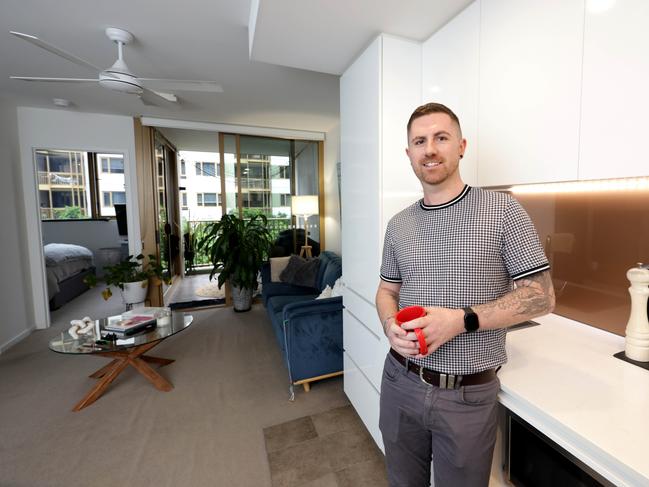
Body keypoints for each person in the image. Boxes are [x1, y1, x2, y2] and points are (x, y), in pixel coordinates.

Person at [375, 102, 555, 487]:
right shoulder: (398, 225)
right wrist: (389, 322)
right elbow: (387, 289)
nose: (430, 149)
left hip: (467, 396)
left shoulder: (503, 210)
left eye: (441, 137)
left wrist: (462, 319)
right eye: (419, 141)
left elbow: (541, 296)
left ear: (461, 146)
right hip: (399, 381)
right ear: (409, 154)